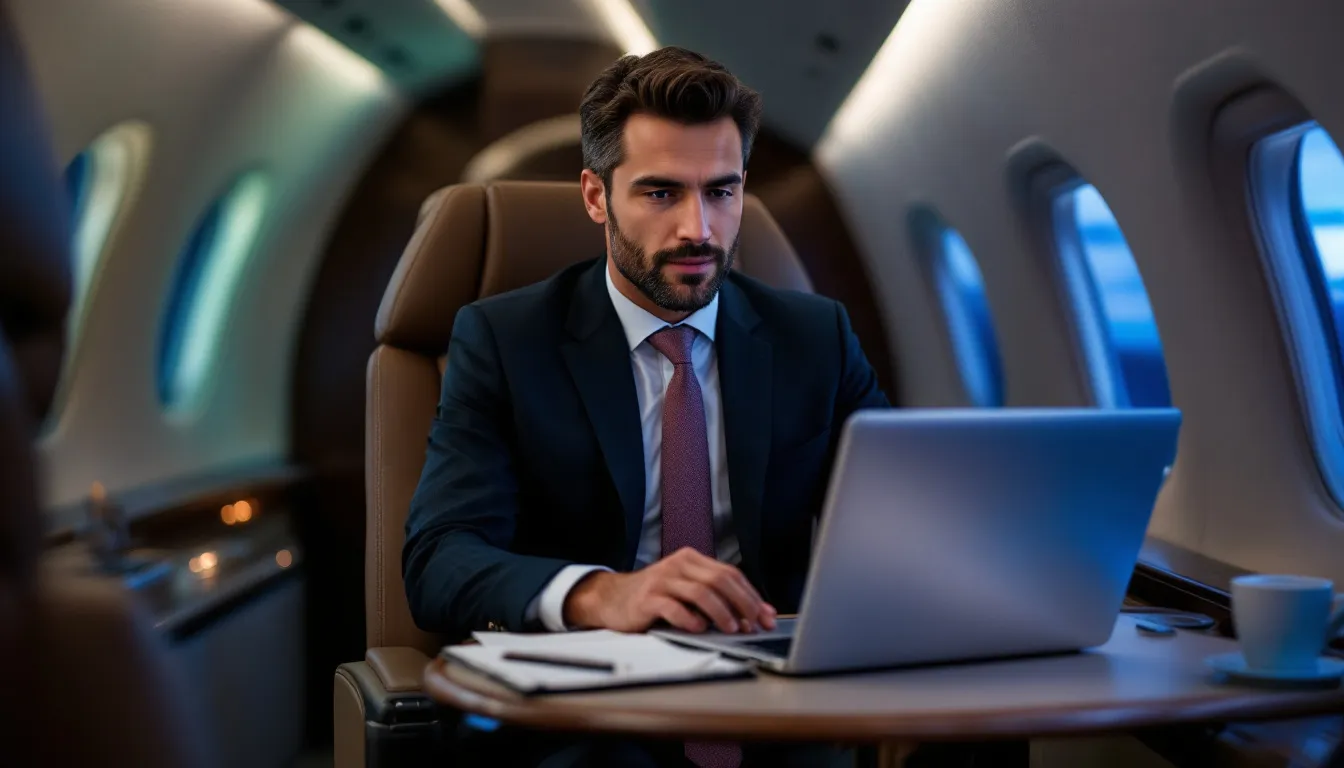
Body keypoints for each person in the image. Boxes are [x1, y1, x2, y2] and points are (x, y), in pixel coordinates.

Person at [404, 45, 889, 768]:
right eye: (662, 193)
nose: (698, 228)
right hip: (586, 714)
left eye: (721, 192)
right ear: (597, 196)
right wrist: (603, 595)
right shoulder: (506, 341)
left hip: (774, 708)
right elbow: (439, 559)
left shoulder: (815, 337)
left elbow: (902, 514)